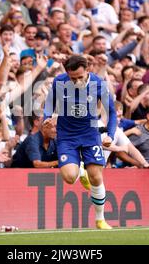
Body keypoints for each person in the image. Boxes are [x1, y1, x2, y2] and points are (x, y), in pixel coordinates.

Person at [44, 55, 117, 230]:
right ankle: (80, 173)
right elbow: (49, 103)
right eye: (72, 78)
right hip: (67, 136)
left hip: (90, 134)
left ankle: (100, 220)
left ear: (87, 71)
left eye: (79, 77)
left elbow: (112, 113)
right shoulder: (59, 81)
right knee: (69, 177)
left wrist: (110, 135)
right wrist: (47, 117)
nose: (76, 81)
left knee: (96, 176)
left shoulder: (99, 85)